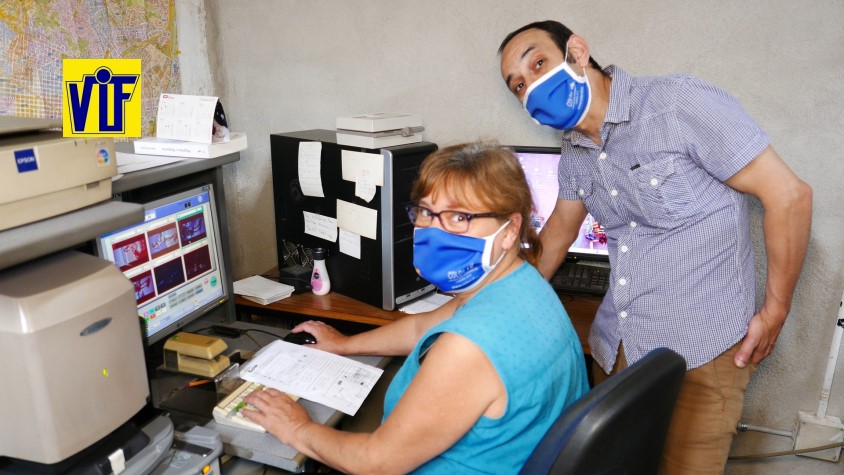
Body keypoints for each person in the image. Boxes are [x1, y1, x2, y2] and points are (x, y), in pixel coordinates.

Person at [498, 20, 813, 473]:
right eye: (520, 86)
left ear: (578, 52)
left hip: (702, 353)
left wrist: (776, 309)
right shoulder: (574, 149)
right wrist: (493, 301)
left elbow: (789, 196)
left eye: (539, 64)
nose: (532, 88)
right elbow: (558, 237)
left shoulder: (676, 104)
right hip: (618, 348)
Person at [243, 142, 590, 474]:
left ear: (510, 229)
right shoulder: (523, 284)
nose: (433, 231)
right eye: (426, 212)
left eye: (458, 217)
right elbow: (420, 327)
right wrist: (345, 344)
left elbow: (376, 463)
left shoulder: (469, 348)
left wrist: (297, 428)